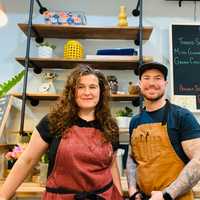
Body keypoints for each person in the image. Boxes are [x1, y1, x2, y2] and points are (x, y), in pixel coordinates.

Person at [0, 64, 123, 200]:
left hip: (104, 196)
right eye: (80, 87)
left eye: (93, 87)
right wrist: (3, 196)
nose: (87, 92)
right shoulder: (53, 121)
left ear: (101, 91)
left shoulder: (110, 126)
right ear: (72, 92)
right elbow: (27, 161)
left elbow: (112, 165)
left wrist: (119, 195)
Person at [126, 62, 200, 200]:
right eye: (146, 78)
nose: (152, 83)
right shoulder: (135, 121)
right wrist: (132, 189)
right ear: (140, 84)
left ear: (165, 83)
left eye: (157, 78)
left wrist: (167, 194)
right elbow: (132, 158)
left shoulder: (182, 116)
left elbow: (199, 160)